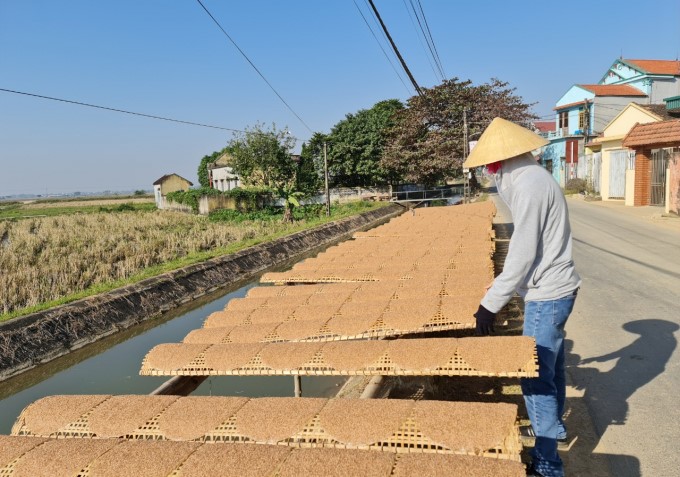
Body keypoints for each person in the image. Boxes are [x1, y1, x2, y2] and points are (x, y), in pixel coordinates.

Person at [464, 118, 581, 477]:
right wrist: (503, 287)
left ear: (500, 159)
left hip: (547, 296)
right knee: (553, 367)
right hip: (558, 288)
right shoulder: (529, 177)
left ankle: (547, 465)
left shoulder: (529, 185)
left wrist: (490, 305)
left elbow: (523, 252)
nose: (486, 168)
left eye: (488, 162)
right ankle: (555, 430)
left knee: (534, 379)